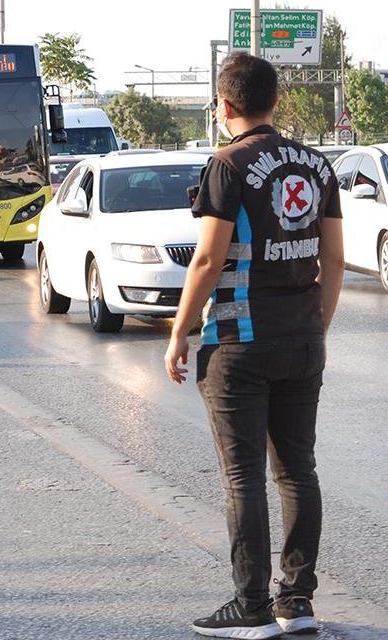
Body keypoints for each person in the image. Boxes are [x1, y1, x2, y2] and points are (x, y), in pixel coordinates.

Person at [164, 52, 343, 640]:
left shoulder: (228, 163)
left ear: (226, 106)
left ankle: (251, 606)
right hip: (303, 338)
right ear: (274, 101)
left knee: (243, 478)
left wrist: (179, 332)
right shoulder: (317, 165)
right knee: (298, 472)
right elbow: (334, 259)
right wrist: (316, 324)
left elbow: (209, 259)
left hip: (240, 342)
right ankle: (298, 602)